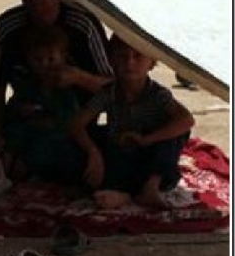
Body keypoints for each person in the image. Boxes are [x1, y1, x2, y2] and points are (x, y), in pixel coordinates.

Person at [70, 33, 195, 209]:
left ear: (152, 62)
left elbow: (186, 120)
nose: (129, 63)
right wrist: (93, 153)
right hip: (120, 155)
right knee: (82, 146)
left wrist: (146, 139)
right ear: (111, 60)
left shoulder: (157, 95)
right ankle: (128, 194)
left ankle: (150, 187)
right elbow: (76, 125)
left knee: (176, 135)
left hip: (151, 159)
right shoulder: (108, 93)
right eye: (123, 56)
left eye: (137, 56)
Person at [0, 0, 113, 139]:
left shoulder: (83, 25)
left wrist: (79, 78)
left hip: (78, 130)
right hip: (24, 129)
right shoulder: (7, 27)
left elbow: (115, 88)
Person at [2, 23, 85, 184]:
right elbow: (14, 111)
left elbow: (71, 119)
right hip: (31, 139)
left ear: (63, 57)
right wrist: (21, 111)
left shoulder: (66, 88)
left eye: (51, 59)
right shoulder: (27, 85)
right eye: (38, 60)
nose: (44, 65)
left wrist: (49, 120)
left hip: (60, 142)